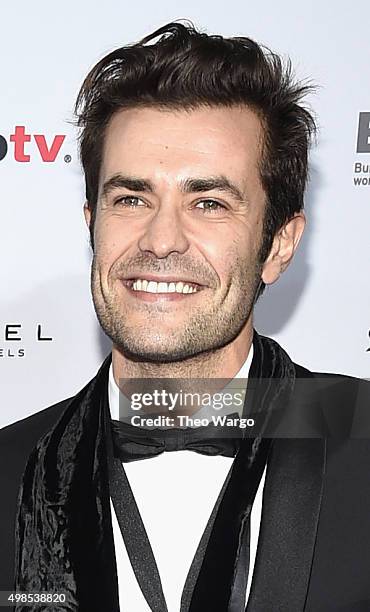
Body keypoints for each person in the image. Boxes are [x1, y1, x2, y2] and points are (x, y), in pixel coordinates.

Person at [0, 21, 369, 612]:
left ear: (278, 244)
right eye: (132, 198)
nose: (161, 238)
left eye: (209, 203)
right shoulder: (10, 470)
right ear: (91, 221)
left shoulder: (362, 439)